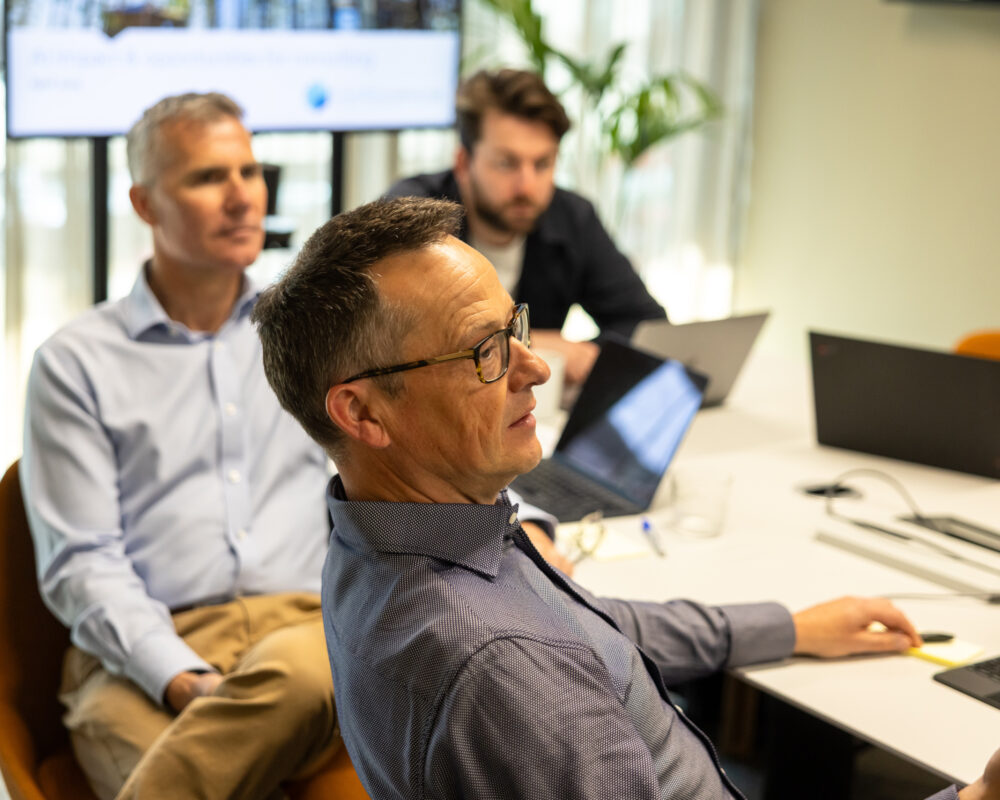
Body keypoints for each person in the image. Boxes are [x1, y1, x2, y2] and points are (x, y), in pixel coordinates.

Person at [252, 196, 997, 800]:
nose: (537, 368)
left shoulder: (375, 531)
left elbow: (583, 625)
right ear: (362, 413)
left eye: (516, 328)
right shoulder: (514, 673)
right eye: (486, 351)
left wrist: (787, 628)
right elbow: (545, 654)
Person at [20, 92, 341, 800]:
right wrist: (179, 676)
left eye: (250, 172)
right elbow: (82, 561)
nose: (242, 196)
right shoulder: (76, 363)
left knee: (302, 674)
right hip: (143, 652)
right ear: (145, 204)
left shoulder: (315, 336)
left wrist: (520, 519)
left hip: (303, 634)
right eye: (206, 177)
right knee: (124, 732)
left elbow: (407, 450)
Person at [385, 68, 666, 386]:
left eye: (542, 164)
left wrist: (582, 354)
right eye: (507, 163)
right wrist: (531, 344)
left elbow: (647, 326)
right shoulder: (413, 216)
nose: (527, 186)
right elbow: (394, 338)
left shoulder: (573, 218)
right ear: (463, 163)